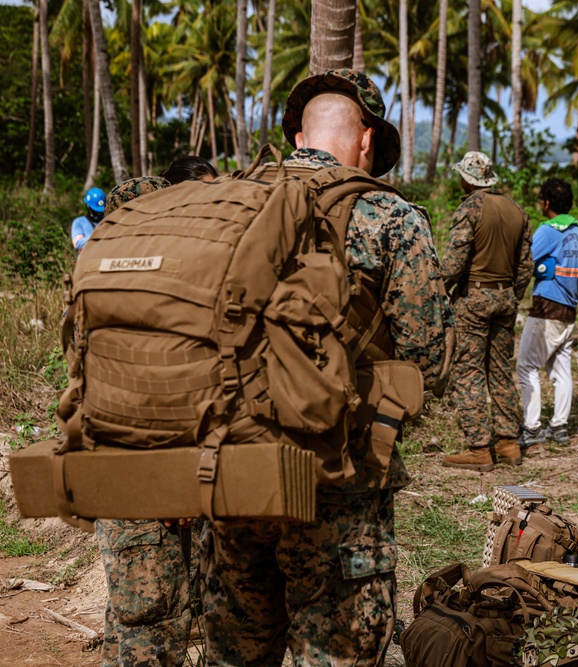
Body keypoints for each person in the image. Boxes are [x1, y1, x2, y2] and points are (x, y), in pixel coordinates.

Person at [201, 69, 453, 665]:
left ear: (295, 138)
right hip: (339, 478)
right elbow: (428, 363)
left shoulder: (227, 202)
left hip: (233, 467)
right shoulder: (391, 218)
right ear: (367, 141)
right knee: (335, 651)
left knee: (238, 649)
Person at [94, 175, 200, 667]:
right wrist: (173, 485)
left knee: (128, 618)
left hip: (109, 481)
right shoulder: (153, 294)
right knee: (155, 631)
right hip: (150, 485)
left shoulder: (95, 284)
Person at [440, 151, 533, 472]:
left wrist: (438, 287)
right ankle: (508, 443)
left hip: (474, 298)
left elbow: (455, 260)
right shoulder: (516, 210)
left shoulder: (470, 207)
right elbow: (525, 266)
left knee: (468, 370)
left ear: (466, 178)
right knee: (500, 369)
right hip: (505, 297)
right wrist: (512, 295)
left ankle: (479, 448)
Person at [517, 178, 578, 450]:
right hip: (569, 309)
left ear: (545, 203)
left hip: (547, 307)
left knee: (526, 366)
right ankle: (559, 426)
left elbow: (526, 261)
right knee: (560, 369)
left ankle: (532, 427)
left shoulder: (548, 230)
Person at [71, 187, 106, 251]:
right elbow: (78, 244)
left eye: (100, 211)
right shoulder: (79, 222)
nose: (98, 214)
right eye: (95, 211)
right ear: (88, 207)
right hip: (87, 260)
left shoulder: (108, 221)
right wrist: (99, 235)